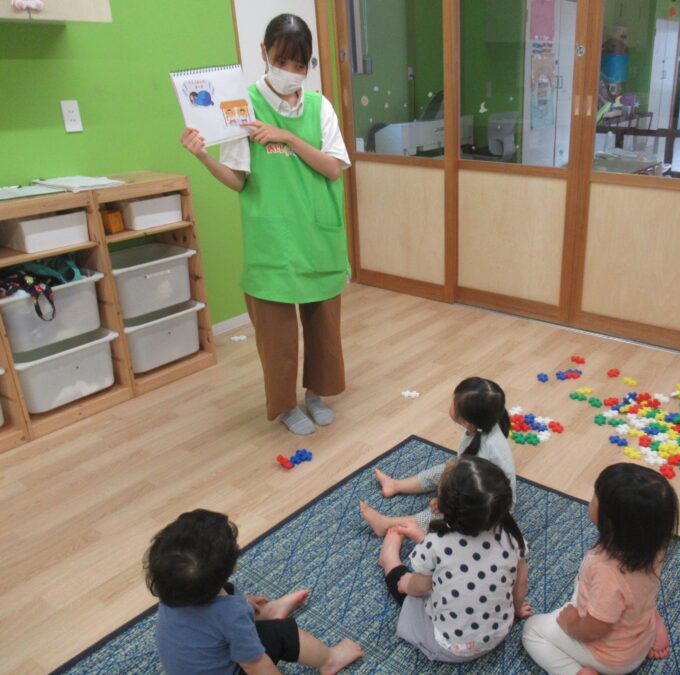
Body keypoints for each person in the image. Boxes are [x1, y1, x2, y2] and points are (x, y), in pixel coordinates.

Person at [180, 13, 350, 436]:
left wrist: (287, 137)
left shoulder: (320, 107)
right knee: (276, 338)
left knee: (323, 330)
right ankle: (286, 405)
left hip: (317, 238)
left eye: (300, 64)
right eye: (282, 60)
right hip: (272, 240)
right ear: (264, 54)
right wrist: (202, 156)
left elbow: (333, 168)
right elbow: (238, 180)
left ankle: (316, 394)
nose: (290, 71)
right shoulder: (243, 108)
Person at [145, 509, 363, 674]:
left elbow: (209, 619)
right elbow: (255, 665)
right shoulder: (231, 614)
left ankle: (268, 612)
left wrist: (243, 602)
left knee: (231, 608)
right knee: (282, 633)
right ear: (232, 566)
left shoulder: (174, 588)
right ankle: (330, 659)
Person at [522, 463, 678, 675]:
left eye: (596, 496)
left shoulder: (607, 572)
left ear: (610, 521)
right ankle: (654, 623)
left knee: (532, 630)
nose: (592, 499)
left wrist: (572, 625)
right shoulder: (653, 548)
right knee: (633, 593)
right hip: (639, 633)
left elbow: (595, 629)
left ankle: (574, 672)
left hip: (610, 658)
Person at [377, 456, 532, 662]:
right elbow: (521, 581)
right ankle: (416, 542)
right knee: (448, 570)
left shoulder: (436, 543)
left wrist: (405, 583)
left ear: (442, 507)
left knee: (407, 586)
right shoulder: (511, 536)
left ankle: (388, 559)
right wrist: (517, 608)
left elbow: (420, 587)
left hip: (451, 647)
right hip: (498, 634)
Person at [360, 377, 516, 536]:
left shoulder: (486, 451)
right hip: (473, 483)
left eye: (454, 402)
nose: (451, 403)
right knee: (443, 470)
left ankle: (387, 524)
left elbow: (472, 496)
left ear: (465, 421)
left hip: (486, 508)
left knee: (441, 515)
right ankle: (395, 485)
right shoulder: (482, 423)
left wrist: (445, 502)